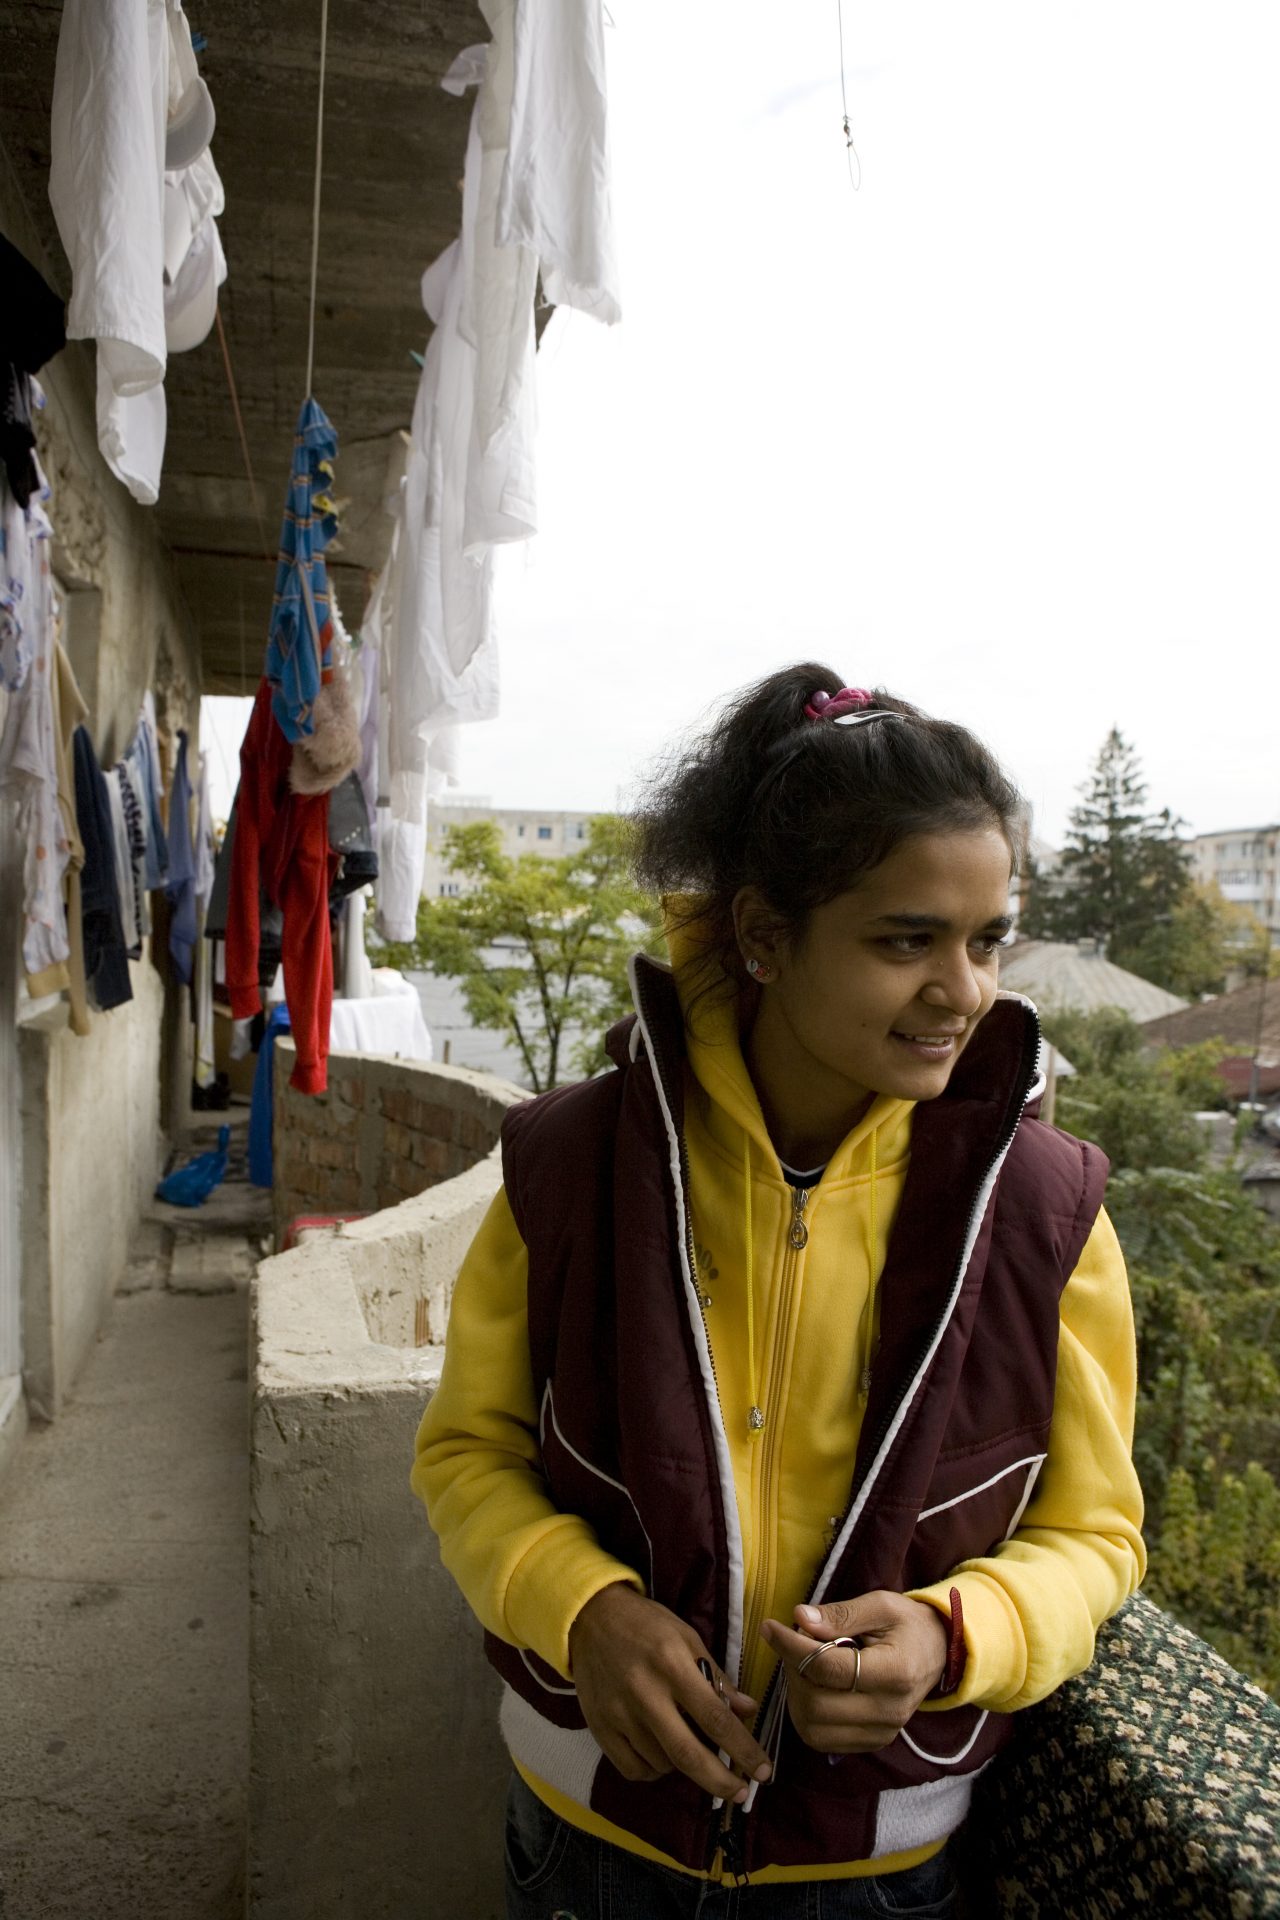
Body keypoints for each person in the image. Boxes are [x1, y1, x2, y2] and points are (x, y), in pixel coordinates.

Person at [412, 666, 1147, 1917]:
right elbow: (466, 1457)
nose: (961, 992)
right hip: (589, 1838)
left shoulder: (1038, 1212)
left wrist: (953, 1635)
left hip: (875, 1869)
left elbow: (1094, 1536)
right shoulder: (575, 1166)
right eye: (902, 939)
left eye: (983, 943)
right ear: (761, 934)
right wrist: (579, 1607)